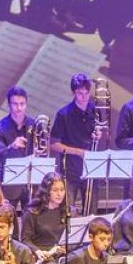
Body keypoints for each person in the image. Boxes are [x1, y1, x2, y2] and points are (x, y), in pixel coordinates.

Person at [50, 73, 99, 206]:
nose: (83, 97)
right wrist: (78, 152)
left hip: (91, 169)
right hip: (70, 170)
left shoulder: (95, 110)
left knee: (91, 213)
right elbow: (53, 144)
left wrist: (99, 135)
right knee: (67, 213)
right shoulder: (63, 114)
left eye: (86, 93)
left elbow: (99, 135)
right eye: (79, 93)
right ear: (73, 92)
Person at [0, 86, 34, 209]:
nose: (19, 108)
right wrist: (11, 146)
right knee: (8, 219)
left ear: (26, 104)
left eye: (22, 104)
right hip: (10, 183)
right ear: (9, 105)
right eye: (15, 104)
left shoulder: (34, 124)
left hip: (31, 183)